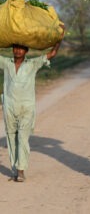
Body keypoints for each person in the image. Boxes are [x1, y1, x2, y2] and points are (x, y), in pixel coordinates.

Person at [0, 26, 65, 182]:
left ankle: (21, 170)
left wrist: (59, 39)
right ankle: (16, 168)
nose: (17, 51)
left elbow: (52, 54)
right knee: (11, 137)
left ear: (26, 51)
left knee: (22, 138)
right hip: (9, 106)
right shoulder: (6, 63)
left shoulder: (32, 64)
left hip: (27, 107)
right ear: (12, 49)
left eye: (21, 49)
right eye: (15, 48)